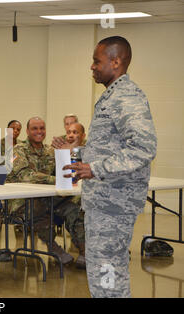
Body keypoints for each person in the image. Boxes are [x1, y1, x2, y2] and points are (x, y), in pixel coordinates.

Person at [63, 36, 157, 298]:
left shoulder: (126, 97)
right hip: (105, 201)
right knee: (105, 269)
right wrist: (75, 154)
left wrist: (95, 169)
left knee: (107, 271)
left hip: (114, 202)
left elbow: (143, 147)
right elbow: (108, 147)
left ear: (115, 62)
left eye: (96, 61)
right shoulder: (113, 95)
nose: (92, 67)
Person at [6, 117, 86, 268]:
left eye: (42, 128)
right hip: (22, 201)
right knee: (37, 208)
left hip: (48, 198)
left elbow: (62, 170)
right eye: (35, 128)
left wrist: (68, 155)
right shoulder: (18, 150)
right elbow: (25, 175)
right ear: (28, 131)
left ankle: (83, 250)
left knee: (75, 207)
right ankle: (54, 248)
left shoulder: (50, 151)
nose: (39, 131)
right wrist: (55, 180)